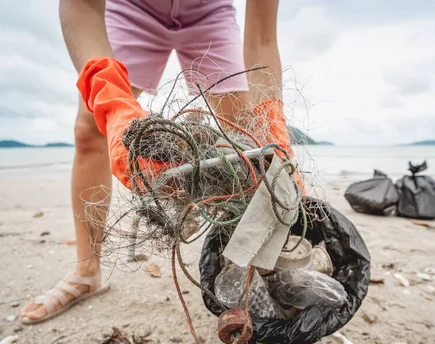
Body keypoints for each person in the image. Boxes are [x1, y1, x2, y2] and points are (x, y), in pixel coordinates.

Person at [20, 0, 284, 323]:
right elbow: (81, 6)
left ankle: (257, 262)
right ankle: (87, 270)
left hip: (210, 13)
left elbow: (262, 40)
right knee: (90, 128)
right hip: (133, 8)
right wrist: (114, 105)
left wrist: (271, 121)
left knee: (248, 136)